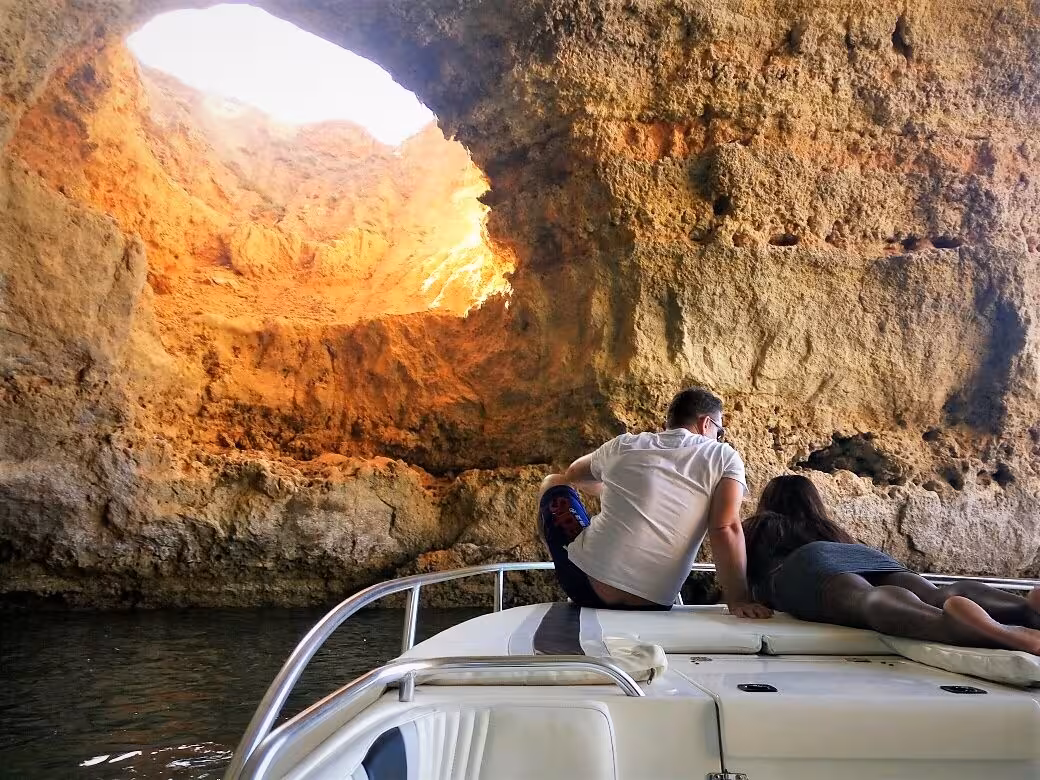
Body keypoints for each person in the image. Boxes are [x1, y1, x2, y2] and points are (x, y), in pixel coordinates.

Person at [538, 387, 771, 617]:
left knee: (554, 481)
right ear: (706, 424)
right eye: (720, 433)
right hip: (655, 601)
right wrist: (739, 601)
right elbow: (724, 527)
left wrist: (611, 490)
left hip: (585, 587)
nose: (719, 439)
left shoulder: (624, 444)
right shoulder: (723, 456)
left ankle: (569, 556)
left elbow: (572, 475)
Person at [743, 474, 1040, 653]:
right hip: (862, 555)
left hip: (804, 565)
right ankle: (1026, 610)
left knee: (864, 599)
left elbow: (741, 572)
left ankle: (954, 626)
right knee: (936, 593)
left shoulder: (759, 525)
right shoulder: (830, 528)